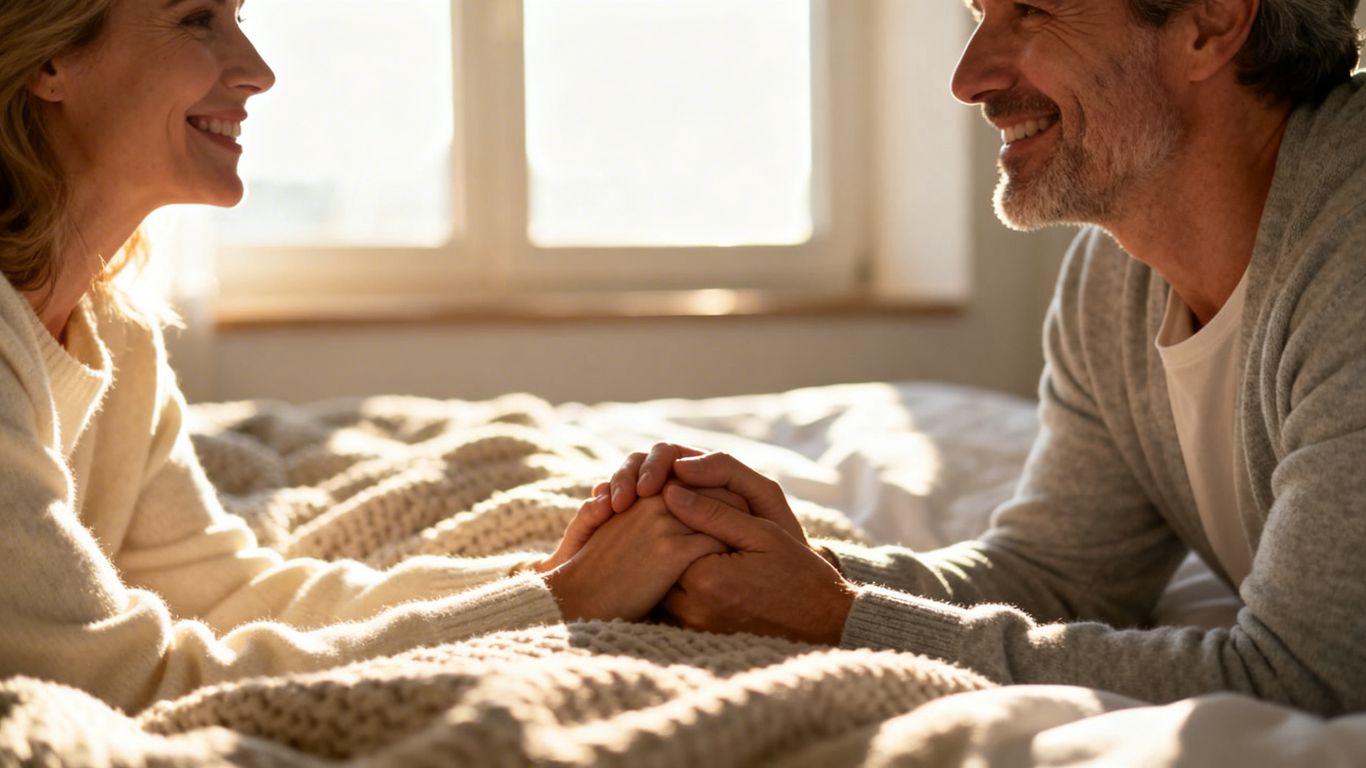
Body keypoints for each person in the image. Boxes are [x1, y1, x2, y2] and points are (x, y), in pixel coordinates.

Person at [589, 0, 1366, 716]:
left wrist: (838, 621)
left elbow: (1308, 679)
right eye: (977, 9)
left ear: (1208, 20)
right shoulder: (1116, 278)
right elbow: (1058, 578)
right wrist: (779, 567)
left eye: (1028, 10)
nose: (968, 80)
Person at [0, 0, 740, 715]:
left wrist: (542, 579)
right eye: (198, 18)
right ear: (53, 57)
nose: (258, 70)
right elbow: (130, 686)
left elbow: (225, 594)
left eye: (239, 18)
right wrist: (561, 606)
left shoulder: (116, 328)